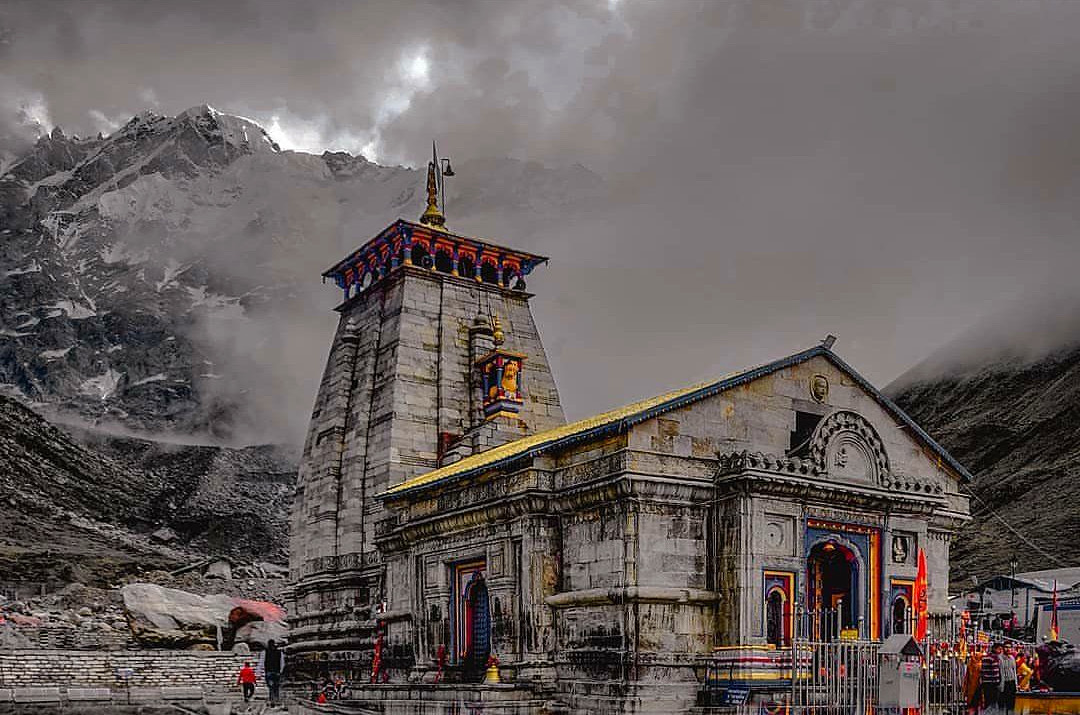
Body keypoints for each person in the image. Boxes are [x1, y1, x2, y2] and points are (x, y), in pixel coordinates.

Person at [263, 639, 285, 706]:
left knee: (271, 686)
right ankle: (277, 699)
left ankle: (272, 700)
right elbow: (282, 663)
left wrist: (261, 672)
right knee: (276, 686)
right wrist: (280, 671)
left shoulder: (265, 652)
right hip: (277, 672)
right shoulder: (279, 652)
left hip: (269, 672)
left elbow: (262, 662)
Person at [980, 644, 1002, 711]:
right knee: (992, 702)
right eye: (999, 649)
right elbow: (995, 672)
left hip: (986, 683)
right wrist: (998, 682)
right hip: (992, 684)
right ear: (994, 649)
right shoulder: (994, 658)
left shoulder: (985, 657)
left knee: (988, 702)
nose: (1000, 651)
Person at [998, 644, 1018, 712]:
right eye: (1006, 647)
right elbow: (1001, 672)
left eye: (1009, 647)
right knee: (1002, 704)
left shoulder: (1012, 658)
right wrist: (1001, 685)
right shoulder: (1000, 658)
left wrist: (1016, 684)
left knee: (1011, 704)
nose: (1008, 649)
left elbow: (1014, 671)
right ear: (1003, 648)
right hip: (1004, 683)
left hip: (1011, 682)